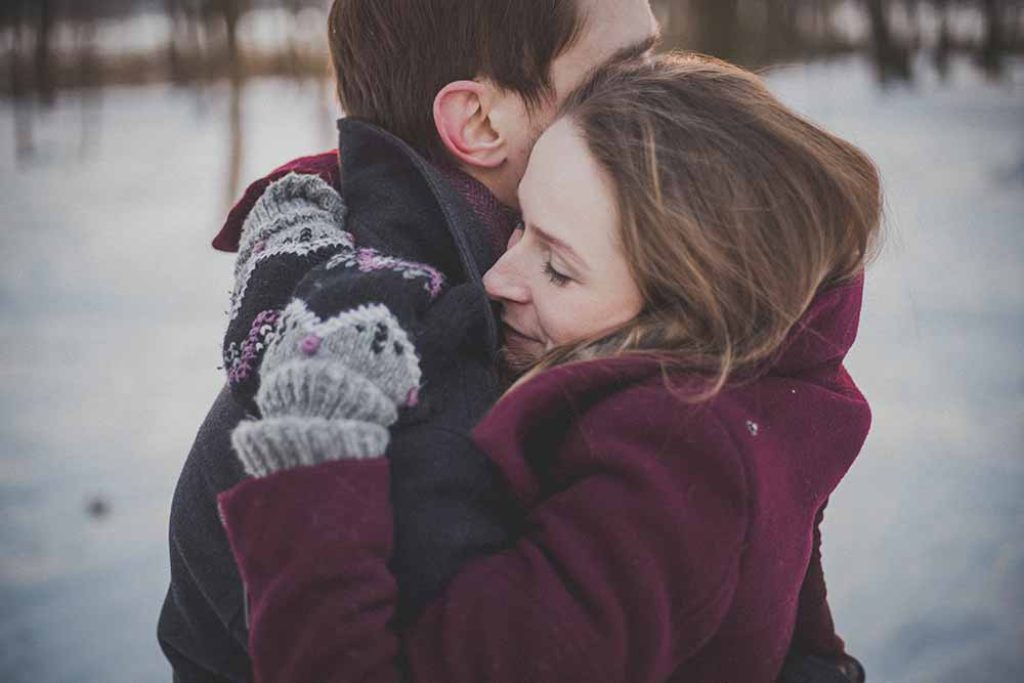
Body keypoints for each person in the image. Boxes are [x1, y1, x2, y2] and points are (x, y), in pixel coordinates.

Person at [216, 53, 881, 681]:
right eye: (520, 223)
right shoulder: (770, 386)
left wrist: (314, 448)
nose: (500, 277)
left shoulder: (668, 482)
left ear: (690, 311)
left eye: (558, 268)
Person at [158, 0, 661, 679]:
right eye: (626, 72)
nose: (669, 96)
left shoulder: (544, 293)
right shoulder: (413, 399)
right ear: (479, 122)